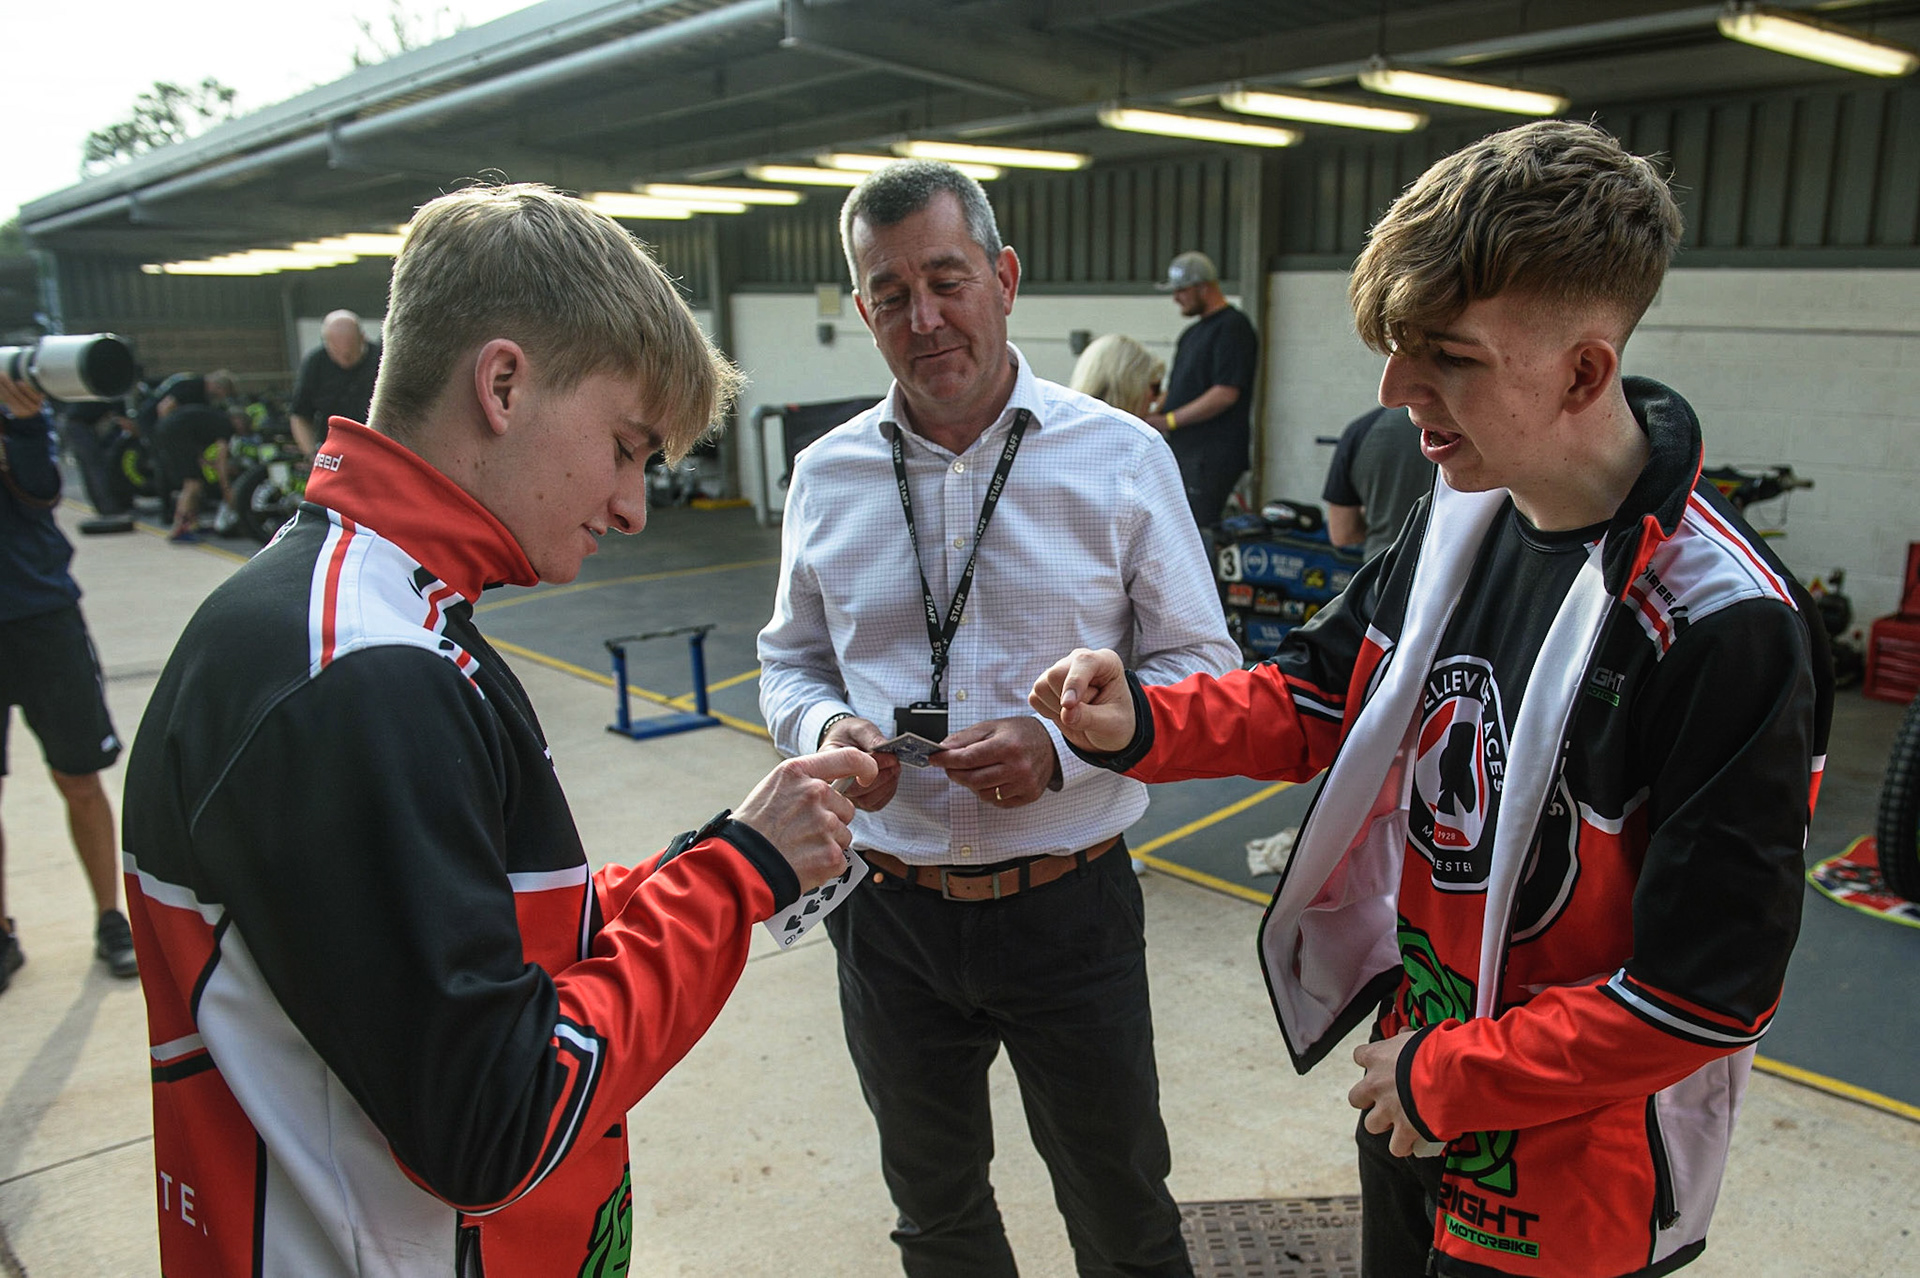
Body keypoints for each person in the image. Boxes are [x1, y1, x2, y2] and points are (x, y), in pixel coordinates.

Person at [1031, 120, 1833, 1278]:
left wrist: (1452, 1073)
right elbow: (1323, 694)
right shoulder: (1466, 511)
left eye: (1446, 355)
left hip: (1564, 1159)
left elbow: (1705, 994)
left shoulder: (1723, 625)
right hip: (1419, 1077)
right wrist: (1143, 724)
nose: (1395, 388)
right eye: (1398, 347)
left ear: (1583, 372)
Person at [121, 183, 875, 1277]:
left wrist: (714, 856)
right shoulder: (362, 673)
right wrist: (732, 881)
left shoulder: (359, 618)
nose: (630, 505)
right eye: (626, 448)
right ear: (505, 384)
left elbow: (467, 938)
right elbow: (500, 1121)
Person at [758, 160, 1238, 1278]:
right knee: (936, 1216)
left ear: (1004, 277)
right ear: (863, 309)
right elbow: (788, 661)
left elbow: (1205, 667)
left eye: (946, 278)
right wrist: (828, 734)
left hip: (1067, 907)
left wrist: (1067, 746)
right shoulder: (825, 476)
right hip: (887, 915)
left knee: (1122, 1210)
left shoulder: (1121, 457)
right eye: (888, 295)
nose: (923, 319)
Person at [0, 372, 137, 990]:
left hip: (41, 616)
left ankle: (111, 918)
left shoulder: (18, 413)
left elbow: (41, 490)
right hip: (36, 612)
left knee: (78, 775)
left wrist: (24, 423)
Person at [1157, 250, 1259, 530]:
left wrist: (1169, 420)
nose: (1176, 298)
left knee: (1196, 532)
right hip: (1186, 452)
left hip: (1210, 456)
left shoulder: (1232, 328)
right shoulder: (1191, 334)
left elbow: (1225, 393)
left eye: (1181, 290)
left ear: (1204, 287)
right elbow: (1177, 387)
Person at [1321, 404, 1435, 560]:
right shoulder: (1466, 427)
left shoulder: (1361, 430)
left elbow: (1342, 533)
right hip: (1455, 573)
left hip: (1383, 570)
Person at [152, 370, 240, 541]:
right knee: (192, 484)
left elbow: (197, 440)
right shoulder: (225, 425)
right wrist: (226, 489)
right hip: (173, 432)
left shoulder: (212, 417)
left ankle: (192, 523)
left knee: (194, 481)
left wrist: (201, 460)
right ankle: (179, 528)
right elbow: (222, 461)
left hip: (171, 431)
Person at [288, 308, 381, 457]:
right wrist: (313, 454)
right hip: (333, 452)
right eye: (336, 352)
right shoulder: (315, 363)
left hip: (376, 448)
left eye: (350, 354)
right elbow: (299, 415)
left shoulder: (382, 360)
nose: (344, 359)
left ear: (362, 338)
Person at [1068, 332, 1164, 424]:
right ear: (1129, 387)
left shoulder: (1061, 424)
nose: (1156, 399)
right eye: (1155, 388)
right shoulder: (1139, 437)